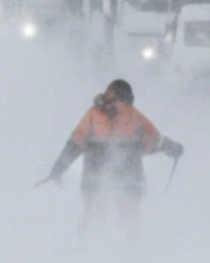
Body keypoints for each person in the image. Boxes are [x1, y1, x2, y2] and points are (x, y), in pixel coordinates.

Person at [41, 79, 184, 242]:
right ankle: (129, 254)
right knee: (129, 221)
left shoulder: (93, 114)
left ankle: (84, 253)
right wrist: (173, 148)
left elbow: (75, 143)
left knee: (93, 218)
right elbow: (154, 142)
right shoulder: (134, 115)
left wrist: (58, 169)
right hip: (130, 177)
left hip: (94, 177)